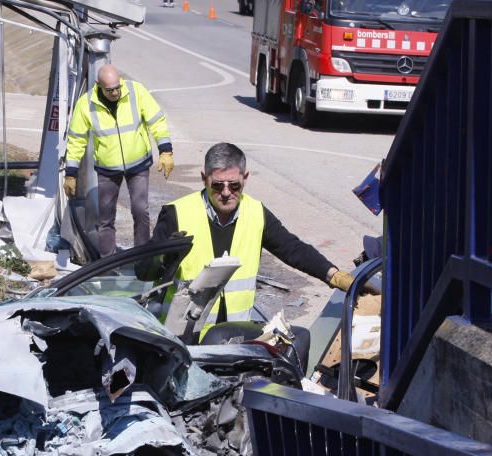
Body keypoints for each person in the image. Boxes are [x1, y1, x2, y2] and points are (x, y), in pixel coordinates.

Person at [147, 142, 360, 335]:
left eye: (234, 185)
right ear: (204, 178)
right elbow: (144, 270)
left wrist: (334, 276)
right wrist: (166, 256)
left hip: (235, 337)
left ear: (245, 179)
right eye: (218, 185)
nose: (226, 192)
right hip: (184, 335)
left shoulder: (256, 212)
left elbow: (292, 248)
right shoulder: (177, 213)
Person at [63, 64, 174, 257]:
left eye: (117, 87)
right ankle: (108, 260)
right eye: (109, 90)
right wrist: (71, 173)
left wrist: (166, 151)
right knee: (106, 217)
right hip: (107, 169)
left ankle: (142, 257)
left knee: (141, 211)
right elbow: (76, 140)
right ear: (98, 85)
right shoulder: (86, 104)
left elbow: (156, 120)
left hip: (138, 163)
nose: (115, 92)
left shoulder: (135, 91)